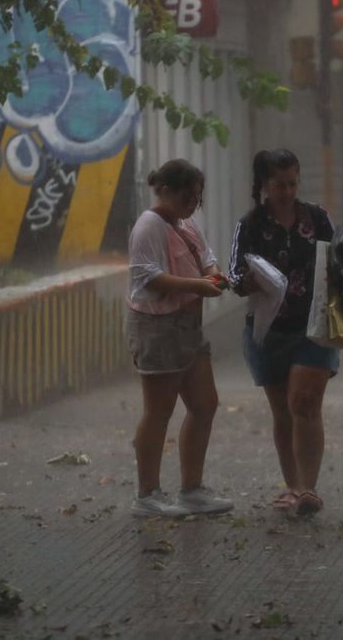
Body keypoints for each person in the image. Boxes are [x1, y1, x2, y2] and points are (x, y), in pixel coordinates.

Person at [228, 149, 338, 516]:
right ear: (263, 185)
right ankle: (292, 484)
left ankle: (308, 488)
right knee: (283, 411)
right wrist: (249, 282)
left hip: (314, 326)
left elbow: (337, 261)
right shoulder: (250, 225)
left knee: (304, 403)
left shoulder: (318, 219)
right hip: (268, 331)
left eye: (293, 183)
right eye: (279, 184)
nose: (288, 191)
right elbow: (234, 276)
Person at [125, 159, 234, 518]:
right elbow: (149, 278)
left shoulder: (186, 225)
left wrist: (214, 277)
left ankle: (192, 488)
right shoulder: (149, 226)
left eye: (197, 197)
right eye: (188, 195)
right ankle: (147, 493)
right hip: (159, 327)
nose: (193, 203)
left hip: (189, 324)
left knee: (204, 403)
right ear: (166, 190)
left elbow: (207, 259)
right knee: (159, 410)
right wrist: (198, 286)